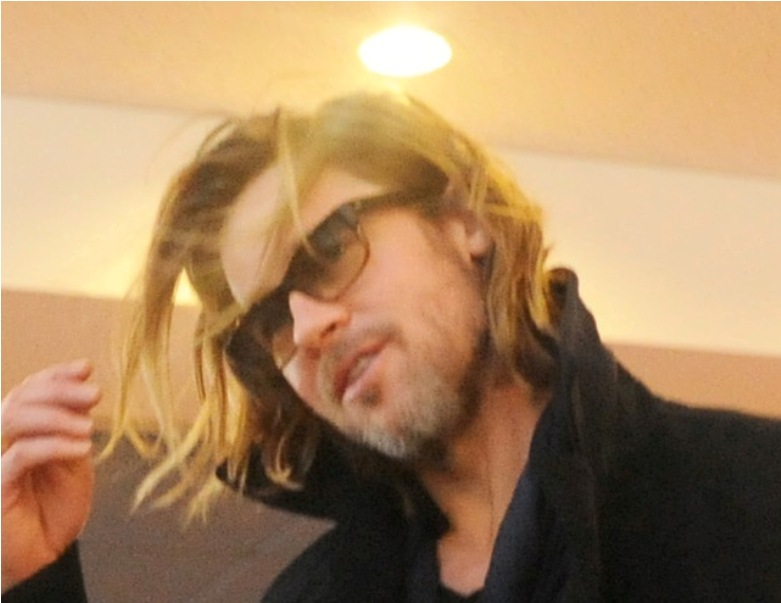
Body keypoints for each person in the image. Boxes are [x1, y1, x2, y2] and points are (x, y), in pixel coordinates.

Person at [3, 90, 781, 603]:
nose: (306, 329)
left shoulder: (750, 494)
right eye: (268, 323)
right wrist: (33, 578)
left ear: (466, 220)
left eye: (329, 248)